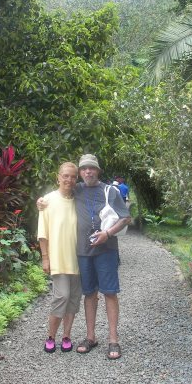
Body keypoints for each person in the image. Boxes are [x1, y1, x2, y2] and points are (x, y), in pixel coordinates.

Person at [38, 154, 131, 359]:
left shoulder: (110, 190)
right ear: (80, 173)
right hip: (83, 252)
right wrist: (41, 202)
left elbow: (126, 218)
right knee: (89, 294)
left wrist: (107, 233)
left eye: (92, 168)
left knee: (109, 292)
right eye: (84, 169)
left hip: (106, 250)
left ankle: (113, 339)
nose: (88, 171)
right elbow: (58, 195)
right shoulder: (77, 189)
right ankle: (91, 337)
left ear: (98, 171)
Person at [37, 162, 82, 354]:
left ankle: (67, 336)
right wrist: (45, 258)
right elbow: (42, 233)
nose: (69, 180)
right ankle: (51, 336)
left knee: (73, 299)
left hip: (79, 260)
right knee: (61, 297)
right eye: (65, 176)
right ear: (58, 177)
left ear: (76, 179)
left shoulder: (80, 200)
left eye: (72, 176)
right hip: (58, 260)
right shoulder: (47, 200)